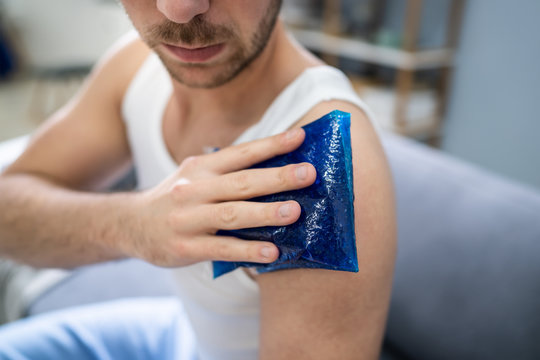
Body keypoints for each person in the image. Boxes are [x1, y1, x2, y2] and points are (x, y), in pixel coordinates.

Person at [0, 0, 396, 359]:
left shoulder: (318, 155)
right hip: (177, 336)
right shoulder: (138, 65)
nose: (179, 9)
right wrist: (130, 226)